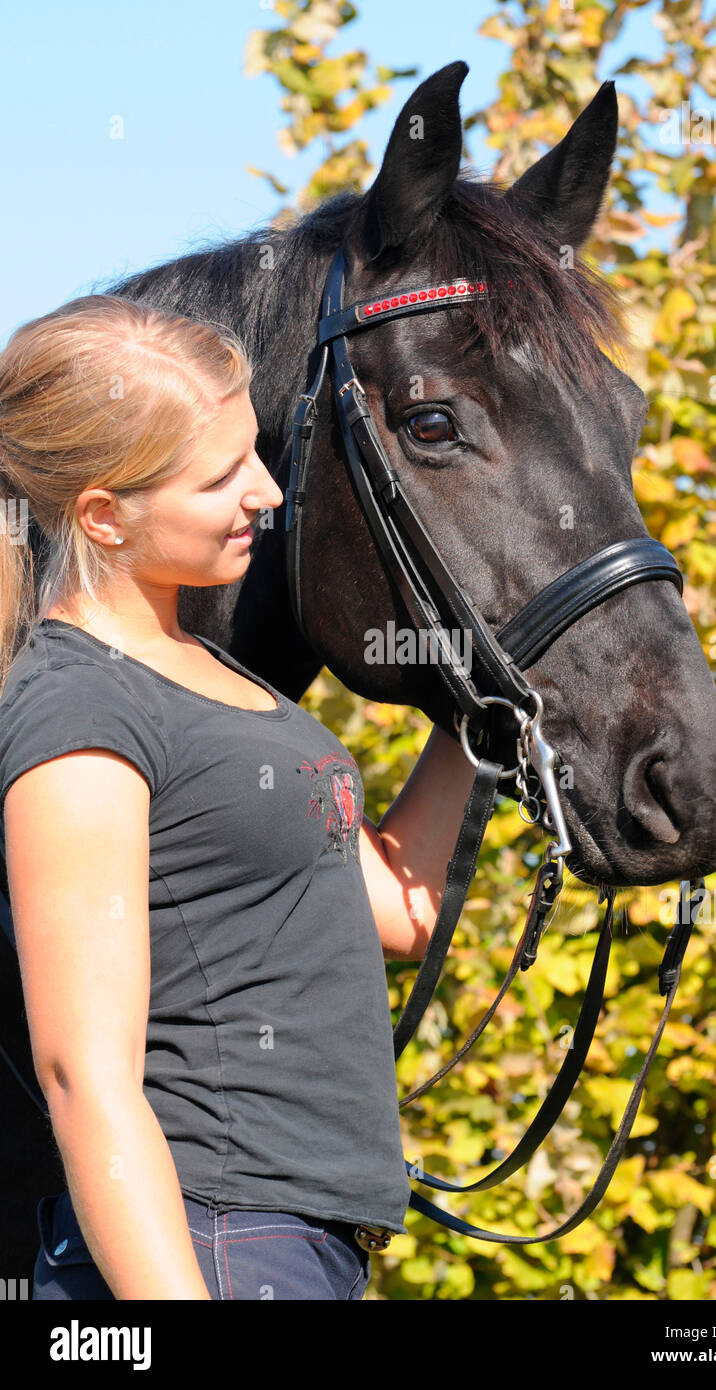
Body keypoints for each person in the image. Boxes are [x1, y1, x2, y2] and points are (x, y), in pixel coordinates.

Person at [0, 294, 478, 1300]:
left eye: (255, 451)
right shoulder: (77, 707)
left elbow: (392, 915)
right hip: (204, 1236)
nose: (266, 489)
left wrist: (471, 724)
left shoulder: (214, 674)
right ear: (101, 514)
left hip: (298, 1239)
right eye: (221, 476)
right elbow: (85, 1077)